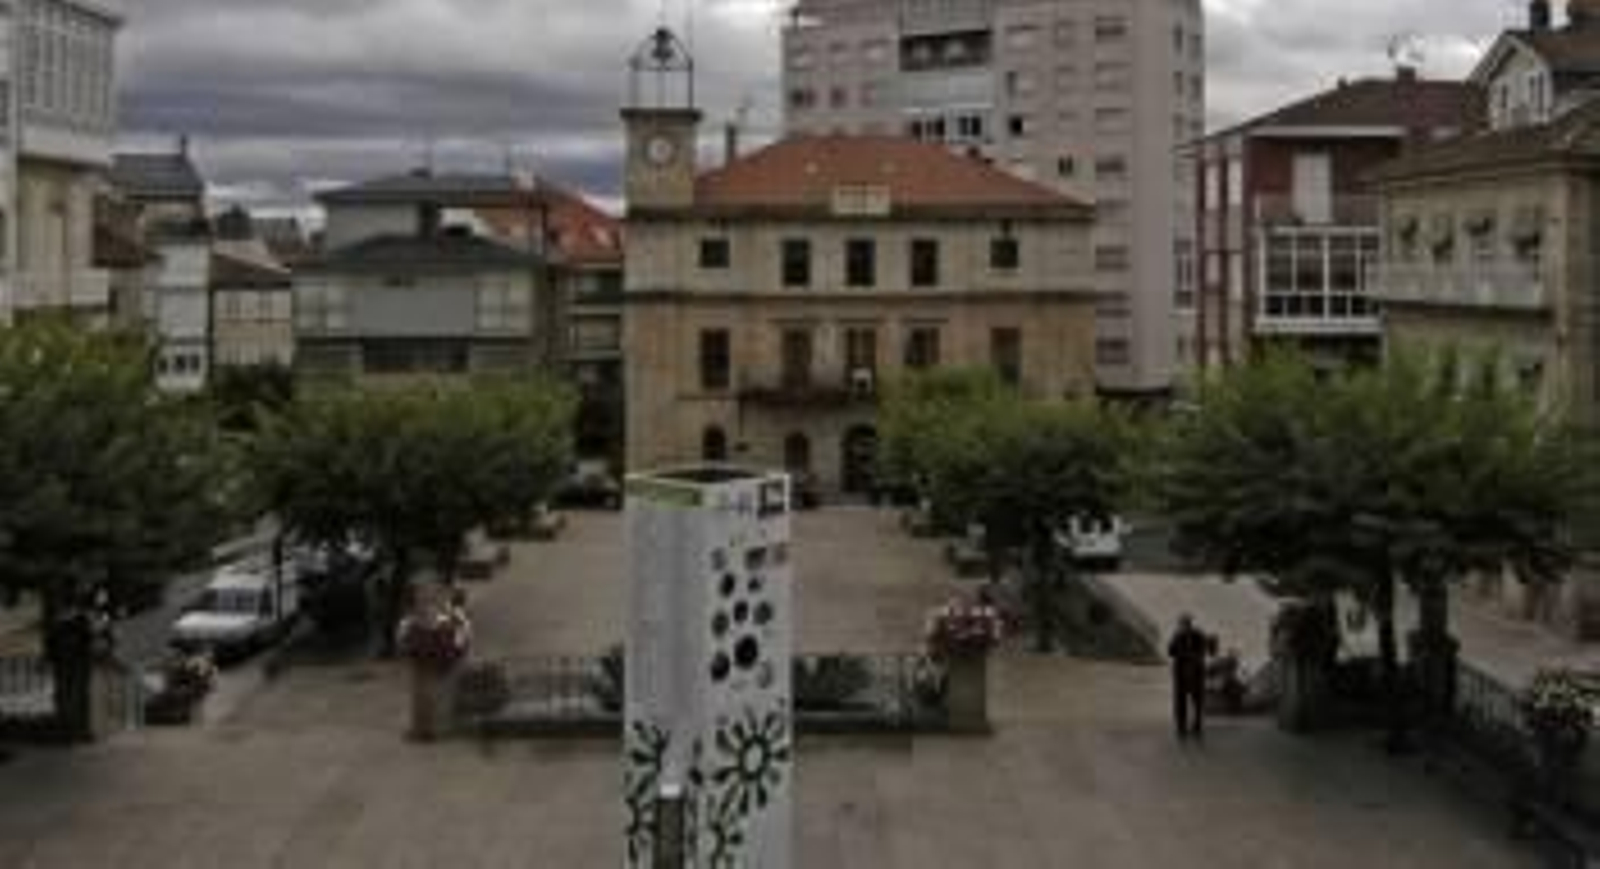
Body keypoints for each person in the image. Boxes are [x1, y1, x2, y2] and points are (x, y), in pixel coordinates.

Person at [1168, 614, 1210, 741]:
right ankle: (1183, 726)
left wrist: (1189, 656)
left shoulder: (1196, 635)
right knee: (1184, 700)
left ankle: (1195, 725)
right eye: (1182, 624)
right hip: (1182, 674)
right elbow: (1170, 651)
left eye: (1184, 623)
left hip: (1194, 673)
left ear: (1188, 624)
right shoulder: (1179, 636)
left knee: (1195, 700)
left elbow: (1204, 650)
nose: (1183, 626)